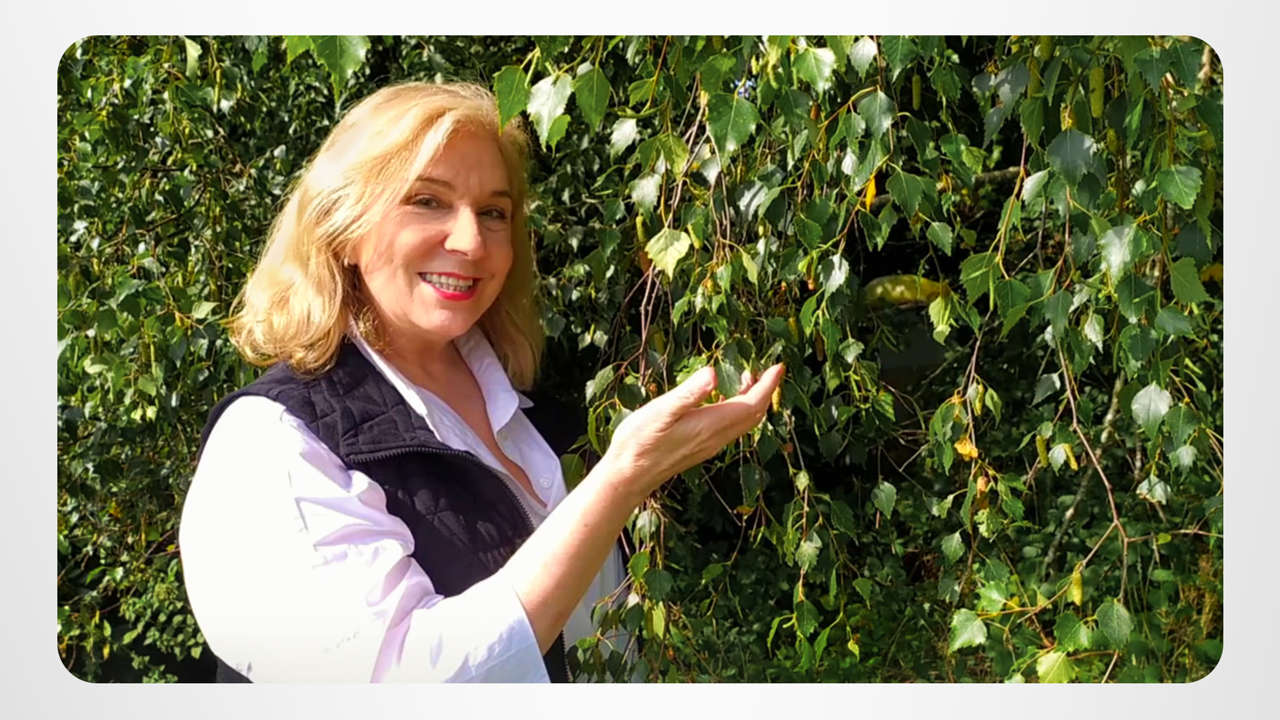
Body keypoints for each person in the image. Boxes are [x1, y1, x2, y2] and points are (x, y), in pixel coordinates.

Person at [178, 81, 785, 683]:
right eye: (428, 201)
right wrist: (622, 480)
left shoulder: (534, 417)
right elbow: (408, 682)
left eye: (494, 212)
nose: (471, 242)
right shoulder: (271, 447)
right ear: (344, 227)